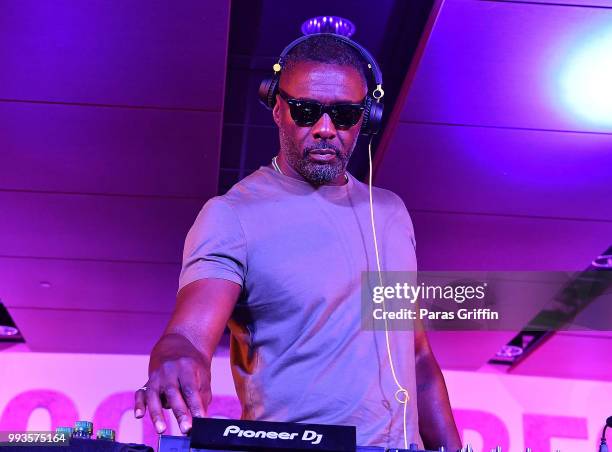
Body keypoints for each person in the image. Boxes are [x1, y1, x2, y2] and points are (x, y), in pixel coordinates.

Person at [134, 34, 461, 450]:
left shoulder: (391, 213)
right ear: (277, 108)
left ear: (366, 118)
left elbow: (416, 357)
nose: (325, 129)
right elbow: (189, 337)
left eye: (344, 116)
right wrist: (173, 357)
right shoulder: (232, 215)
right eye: (306, 111)